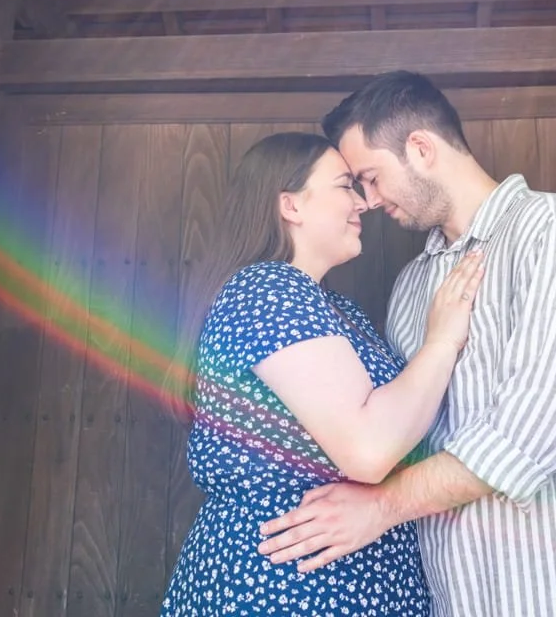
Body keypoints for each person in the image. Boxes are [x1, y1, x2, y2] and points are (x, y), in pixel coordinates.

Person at [257, 72, 556, 616]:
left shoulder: (552, 230)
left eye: (369, 176)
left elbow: (532, 432)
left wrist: (381, 507)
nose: (367, 199)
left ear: (420, 148)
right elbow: (399, 440)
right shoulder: (412, 287)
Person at [160, 131, 486, 617]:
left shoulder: (332, 308)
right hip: (285, 589)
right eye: (344, 186)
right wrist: (442, 341)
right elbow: (369, 451)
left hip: (333, 584)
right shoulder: (268, 289)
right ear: (290, 205)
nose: (362, 202)